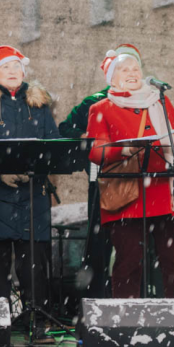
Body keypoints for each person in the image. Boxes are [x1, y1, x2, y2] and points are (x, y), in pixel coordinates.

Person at [86, 46, 174, 299]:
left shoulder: (160, 100)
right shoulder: (101, 108)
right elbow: (96, 152)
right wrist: (125, 150)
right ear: (112, 78)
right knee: (129, 262)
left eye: (135, 68)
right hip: (128, 195)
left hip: (167, 193)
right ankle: (125, 321)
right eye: (124, 69)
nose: (132, 73)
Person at [0, 46, 59, 335]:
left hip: (31, 198)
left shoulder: (40, 107)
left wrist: (36, 169)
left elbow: (53, 146)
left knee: (34, 265)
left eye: (17, 67)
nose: (13, 72)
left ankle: (36, 319)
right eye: (6, 67)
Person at [59, 82, 112, 299]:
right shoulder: (95, 102)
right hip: (101, 179)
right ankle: (97, 297)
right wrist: (85, 138)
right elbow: (64, 128)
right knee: (99, 242)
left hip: (137, 182)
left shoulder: (147, 101)